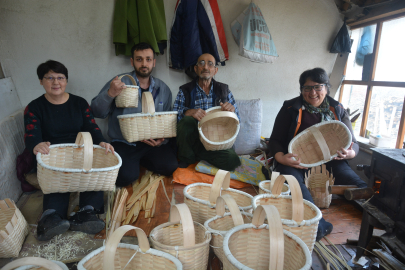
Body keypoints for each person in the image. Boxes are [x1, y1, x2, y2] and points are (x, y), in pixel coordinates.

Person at [268, 67, 367, 241]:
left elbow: (354, 144)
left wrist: (349, 153)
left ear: (326, 88)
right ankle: (318, 224)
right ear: (301, 90)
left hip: (331, 161)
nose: (312, 92)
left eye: (318, 87)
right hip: (296, 161)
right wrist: (281, 157)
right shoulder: (291, 107)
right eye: (307, 88)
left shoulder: (337, 108)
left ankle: (374, 213)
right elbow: (274, 140)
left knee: (358, 185)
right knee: (292, 182)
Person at [24, 60, 114, 241]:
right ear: (41, 81)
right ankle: (51, 217)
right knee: (57, 179)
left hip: (80, 150)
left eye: (60, 77)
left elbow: (91, 126)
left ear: (66, 80)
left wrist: (102, 142)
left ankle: (87, 213)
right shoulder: (34, 107)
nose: (55, 82)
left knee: (92, 172)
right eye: (49, 78)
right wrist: (36, 145)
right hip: (53, 154)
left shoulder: (79, 103)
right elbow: (31, 133)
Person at [91, 42, 178, 187]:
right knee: (125, 177)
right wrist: (110, 93)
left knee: (170, 166)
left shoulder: (163, 88)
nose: (144, 64)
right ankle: (131, 164)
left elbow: (167, 122)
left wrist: (162, 141)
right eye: (139, 59)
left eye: (148, 59)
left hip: (152, 143)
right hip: (124, 143)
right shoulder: (119, 82)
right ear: (132, 61)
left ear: (154, 62)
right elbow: (96, 112)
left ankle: (138, 161)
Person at [173, 53, 241, 171]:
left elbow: (238, 120)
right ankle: (187, 157)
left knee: (233, 161)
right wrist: (188, 112)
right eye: (202, 63)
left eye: (210, 64)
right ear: (196, 68)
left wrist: (231, 113)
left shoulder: (224, 91)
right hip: (193, 141)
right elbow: (173, 117)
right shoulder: (185, 90)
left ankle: (200, 156)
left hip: (216, 142)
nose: (205, 67)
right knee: (187, 121)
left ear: (215, 70)